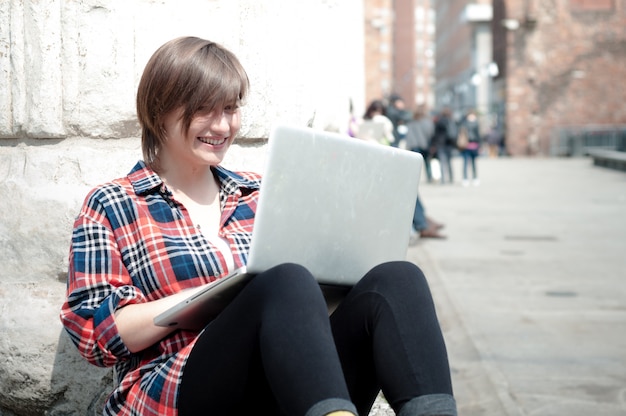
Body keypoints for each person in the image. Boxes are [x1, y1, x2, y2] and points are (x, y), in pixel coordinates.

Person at [60, 37, 457, 416]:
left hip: (292, 378)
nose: (222, 126)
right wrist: (211, 296)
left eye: (230, 108)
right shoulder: (113, 204)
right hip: (181, 386)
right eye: (205, 109)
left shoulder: (260, 193)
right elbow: (96, 337)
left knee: (397, 279)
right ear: (158, 109)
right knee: (282, 282)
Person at [405, 105, 434, 183]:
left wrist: (409, 144)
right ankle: (429, 178)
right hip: (425, 145)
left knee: (415, 164)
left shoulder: (412, 121)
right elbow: (430, 133)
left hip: (414, 145)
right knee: (427, 162)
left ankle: (414, 178)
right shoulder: (427, 121)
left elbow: (409, 134)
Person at [431, 108, 456, 184]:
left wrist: (433, 144)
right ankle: (451, 178)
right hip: (449, 143)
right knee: (449, 162)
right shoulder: (451, 121)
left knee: (442, 162)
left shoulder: (439, 122)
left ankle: (443, 180)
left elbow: (435, 134)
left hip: (440, 144)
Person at [459, 110, 481, 186]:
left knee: (466, 163)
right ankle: (474, 178)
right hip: (473, 144)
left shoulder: (464, 123)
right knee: (473, 163)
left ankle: (465, 179)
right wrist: (480, 145)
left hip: (466, 145)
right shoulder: (476, 123)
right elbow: (478, 135)